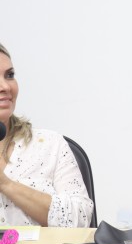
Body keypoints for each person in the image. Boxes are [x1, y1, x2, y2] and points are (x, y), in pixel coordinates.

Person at [0, 44, 94, 227]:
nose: (5, 86)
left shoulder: (50, 144)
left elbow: (82, 219)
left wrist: (7, 185)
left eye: (9, 75)